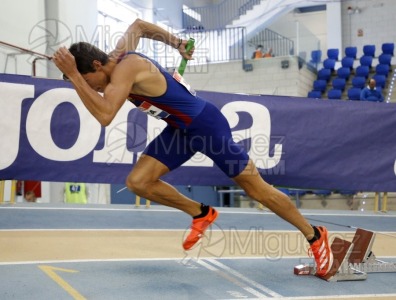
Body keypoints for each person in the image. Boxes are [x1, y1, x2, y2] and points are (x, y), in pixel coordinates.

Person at [52, 18, 333, 277]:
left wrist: (73, 75)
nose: (95, 90)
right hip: (180, 130)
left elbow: (104, 115)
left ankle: (315, 235)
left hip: (206, 127)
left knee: (255, 188)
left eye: (90, 82)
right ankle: (201, 213)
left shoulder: (126, 68)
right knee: (138, 181)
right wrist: (178, 43)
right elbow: (138, 26)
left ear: (97, 66)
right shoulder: (115, 59)